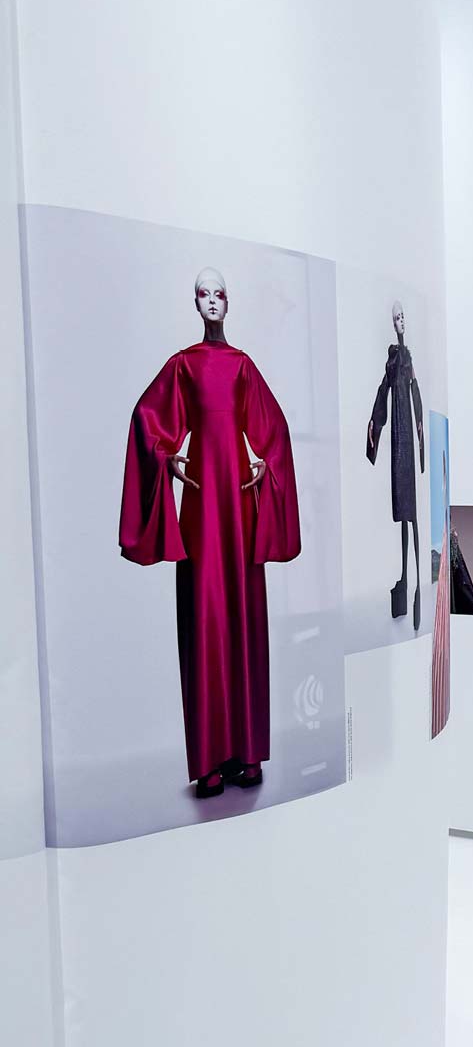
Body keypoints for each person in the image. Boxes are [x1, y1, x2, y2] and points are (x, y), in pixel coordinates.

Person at [119, 268, 301, 798]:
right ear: (195, 303)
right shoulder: (183, 365)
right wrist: (165, 456)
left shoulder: (242, 365)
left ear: (229, 301)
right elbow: (146, 418)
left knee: (243, 617)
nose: (214, 301)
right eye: (205, 293)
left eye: (220, 293)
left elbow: (274, 429)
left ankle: (248, 754)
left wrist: (266, 462)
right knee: (204, 621)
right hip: (201, 505)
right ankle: (208, 763)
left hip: (239, 503)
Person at [366, 301, 426, 629]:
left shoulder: (408, 357)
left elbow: (415, 392)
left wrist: (420, 430)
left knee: (412, 515)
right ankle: (405, 579)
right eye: (397, 318)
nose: (401, 322)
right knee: (404, 513)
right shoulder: (393, 359)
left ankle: (415, 584)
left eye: (403, 317)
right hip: (398, 444)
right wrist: (374, 426)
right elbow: (382, 392)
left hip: (408, 442)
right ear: (393, 324)